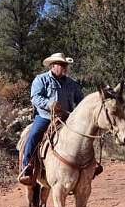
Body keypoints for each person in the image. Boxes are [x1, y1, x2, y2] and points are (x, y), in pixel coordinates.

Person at [18, 53, 84, 184]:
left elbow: (80, 101)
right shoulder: (41, 80)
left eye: (66, 65)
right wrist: (50, 104)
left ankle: (89, 165)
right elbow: (35, 98)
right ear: (53, 65)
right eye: (62, 64)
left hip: (67, 118)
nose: (65, 67)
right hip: (46, 117)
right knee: (34, 135)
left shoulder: (72, 84)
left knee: (83, 136)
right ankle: (27, 168)